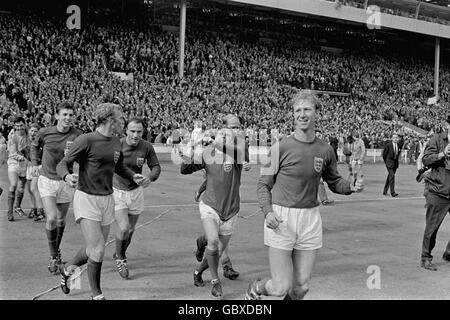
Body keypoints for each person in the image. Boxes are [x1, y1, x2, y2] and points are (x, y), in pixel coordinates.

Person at [246, 90, 364, 300]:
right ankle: (256, 289)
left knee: (300, 288)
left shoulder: (326, 150)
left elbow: (334, 181)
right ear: (293, 114)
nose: (302, 114)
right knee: (281, 287)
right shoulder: (279, 147)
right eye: (297, 110)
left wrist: (350, 186)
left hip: (310, 219)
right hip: (281, 218)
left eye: (307, 109)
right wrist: (268, 212)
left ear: (317, 112)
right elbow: (263, 185)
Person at [56, 103, 147, 300]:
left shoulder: (116, 142)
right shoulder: (86, 139)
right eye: (120, 117)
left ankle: (66, 271)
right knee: (98, 249)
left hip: (107, 199)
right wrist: (67, 176)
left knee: (93, 249)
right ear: (109, 119)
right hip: (87, 198)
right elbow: (64, 163)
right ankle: (97, 295)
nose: (122, 120)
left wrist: (134, 176)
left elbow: (120, 167)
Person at [181, 118, 249, 299]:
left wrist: (215, 143)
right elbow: (184, 169)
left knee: (217, 251)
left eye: (229, 135)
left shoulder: (238, 153)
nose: (227, 137)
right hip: (210, 206)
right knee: (212, 241)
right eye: (222, 135)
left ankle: (198, 271)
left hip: (231, 209)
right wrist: (192, 147)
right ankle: (215, 282)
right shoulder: (208, 155)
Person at [31, 101, 83, 274]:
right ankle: (53, 255)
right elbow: (34, 146)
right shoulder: (45, 132)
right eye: (64, 114)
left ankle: (56, 251)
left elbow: (83, 155)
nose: (68, 118)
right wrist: (34, 163)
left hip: (66, 181)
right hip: (47, 179)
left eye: (70, 115)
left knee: (61, 220)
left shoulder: (78, 134)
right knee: (52, 218)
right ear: (57, 116)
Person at [112, 117, 161, 279]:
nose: (135, 135)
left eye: (139, 131)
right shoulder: (117, 145)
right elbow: (112, 167)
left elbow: (156, 166)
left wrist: (149, 177)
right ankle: (121, 259)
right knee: (124, 227)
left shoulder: (146, 146)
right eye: (132, 131)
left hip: (136, 193)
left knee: (130, 231)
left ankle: (119, 252)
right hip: (118, 192)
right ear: (126, 130)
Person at [419, 115, 450, 271]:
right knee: (432, 228)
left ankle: (449, 253)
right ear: (447, 125)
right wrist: (442, 154)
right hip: (438, 191)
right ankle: (425, 257)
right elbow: (426, 160)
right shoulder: (437, 140)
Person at [6, 117, 29, 221]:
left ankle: (17, 207)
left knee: (21, 188)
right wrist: (24, 156)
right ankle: (10, 212)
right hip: (14, 163)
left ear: (24, 124)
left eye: (21, 125)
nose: (19, 128)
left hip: (24, 164)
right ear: (14, 126)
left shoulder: (28, 134)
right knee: (13, 185)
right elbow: (13, 153)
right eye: (17, 126)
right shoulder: (12, 136)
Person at [24, 123, 44, 221]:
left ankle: (41, 211)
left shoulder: (41, 143)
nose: (33, 133)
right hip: (29, 167)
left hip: (38, 166)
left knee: (34, 188)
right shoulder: (27, 142)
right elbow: (25, 154)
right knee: (30, 190)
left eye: (35, 131)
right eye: (31, 131)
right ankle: (34, 209)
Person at [382, 132, 401, 197]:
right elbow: (384, 154)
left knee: (390, 177)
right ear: (392, 138)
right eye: (394, 137)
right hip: (389, 162)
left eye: (396, 138)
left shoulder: (398, 145)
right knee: (392, 176)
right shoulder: (388, 145)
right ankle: (392, 192)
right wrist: (386, 162)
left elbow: (397, 154)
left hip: (395, 163)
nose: (395, 139)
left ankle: (385, 191)